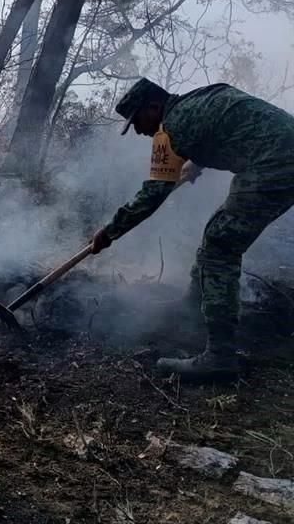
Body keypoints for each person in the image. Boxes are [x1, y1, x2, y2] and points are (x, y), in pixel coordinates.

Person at [90, 78, 294, 379]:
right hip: (280, 157)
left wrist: (108, 232)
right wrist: (196, 164)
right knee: (216, 234)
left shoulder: (171, 128)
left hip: (273, 166)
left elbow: (151, 195)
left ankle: (220, 357)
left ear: (154, 106)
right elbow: (230, 126)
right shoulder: (195, 101)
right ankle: (192, 308)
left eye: (137, 120)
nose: (138, 130)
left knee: (219, 249)